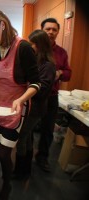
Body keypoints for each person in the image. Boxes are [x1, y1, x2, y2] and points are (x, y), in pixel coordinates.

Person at [0, 8, 40, 200]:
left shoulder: (23, 48)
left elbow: (37, 83)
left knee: (5, 153)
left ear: (2, 25)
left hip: (14, 109)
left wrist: (21, 99)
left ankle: (7, 185)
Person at [13, 30, 56, 180]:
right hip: (30, 107)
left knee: (22, 137)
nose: (30, 47)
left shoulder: (48, 66)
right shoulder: (36, 61)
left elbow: (42, 89)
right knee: (28, 137)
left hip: (36, 109)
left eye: (32, 44)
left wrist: (28, 88)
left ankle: (20, 171)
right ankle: (26, 169)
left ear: (39, 45)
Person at [35, 18, 72, 172]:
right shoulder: (33, 48)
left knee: (48, 129)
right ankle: (24, 157)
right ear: (42, 30)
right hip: (34, 96)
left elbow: (69, 73)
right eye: (48, 29)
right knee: (28, 129)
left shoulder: (61, 52)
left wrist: (59, 73)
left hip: (51, 96)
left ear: (57, 32)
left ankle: (42, 158)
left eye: (54, 30)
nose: (51, 32)